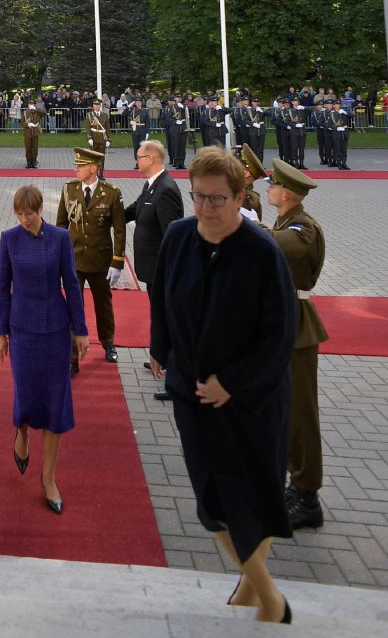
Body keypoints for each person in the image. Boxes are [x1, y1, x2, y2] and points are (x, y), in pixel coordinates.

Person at [150, 146, 297, 624]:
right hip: (192, 395)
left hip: (251, 399)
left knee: (256, 493)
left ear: (240, 198)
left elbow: (278, 335)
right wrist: (161, 350)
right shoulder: (176, 237)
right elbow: (162, 297)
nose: (206, 209)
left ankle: (260, 594)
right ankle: (264, 590)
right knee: (212, 499)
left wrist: (229, 383)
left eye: (217, 199)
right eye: (199, 197)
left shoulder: (262, 253)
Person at [0, 184, 87, 513]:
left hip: (55, 331)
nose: (24, 219)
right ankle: (21, 431)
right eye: (19, 213)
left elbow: (72, 285)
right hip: (22, 331)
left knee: (54, 403)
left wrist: (81, 330)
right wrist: (0, 332)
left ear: (40, 211)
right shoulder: (8, 239)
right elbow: (3, 287)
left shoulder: (60, 238)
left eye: (29, 213)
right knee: (26, 393)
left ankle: (48, 478)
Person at [267, 159, 328, 532]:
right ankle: (294, 484)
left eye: (273, 185)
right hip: (281, 322)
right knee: (284, 411)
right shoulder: (284, 221)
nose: (268, 189)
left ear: (286, 193)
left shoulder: (302, 228)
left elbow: (273, 244)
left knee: (301, 414)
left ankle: (307, 496)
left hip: (297, 326)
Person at [56, 145, 126, 371]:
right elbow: (60, 225)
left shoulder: (112, 192)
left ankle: (108, 343)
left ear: (93, 168)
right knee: (75, 307)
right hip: (74, 259)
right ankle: (73, 357)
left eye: (81, 165)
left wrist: (117, 261)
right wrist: (59, 257)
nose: (76, 169)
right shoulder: (69, 190)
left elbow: (119, 230)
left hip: (100, 260)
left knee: (103, 304)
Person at [124, 138, 183, 400]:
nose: (136, 160)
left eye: (139, 156)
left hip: (163, 269)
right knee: (159, 316)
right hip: (153, 269)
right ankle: (161, 357)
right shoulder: (152, 185)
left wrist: (169, 271)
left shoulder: (166, 189)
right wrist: (106, 213)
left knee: (169, 319)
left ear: (152, 160)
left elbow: (173, 233)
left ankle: (177, 377)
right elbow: (135, 210)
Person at [22, 99, 43, 170]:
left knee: (35, 148)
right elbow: (21, 123)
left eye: (32, 103)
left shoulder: (37, 112)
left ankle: (33, 163)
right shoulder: (25, 113)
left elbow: (44, 112)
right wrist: (27, 124)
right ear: (28, 105)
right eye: (30, 103)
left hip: (35, 132)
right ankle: (28, 163)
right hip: (27, 133)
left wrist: (36, 109)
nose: (31, 105)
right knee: (28, 148)